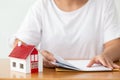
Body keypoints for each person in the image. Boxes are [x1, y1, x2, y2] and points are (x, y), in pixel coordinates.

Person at [9, 0, 120, 69]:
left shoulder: (104, 3)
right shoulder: (41, 6)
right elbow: (19, 45)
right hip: (51, 76)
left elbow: (115, 44)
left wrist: (106, 56)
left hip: (92, 75)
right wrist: (39, 56)